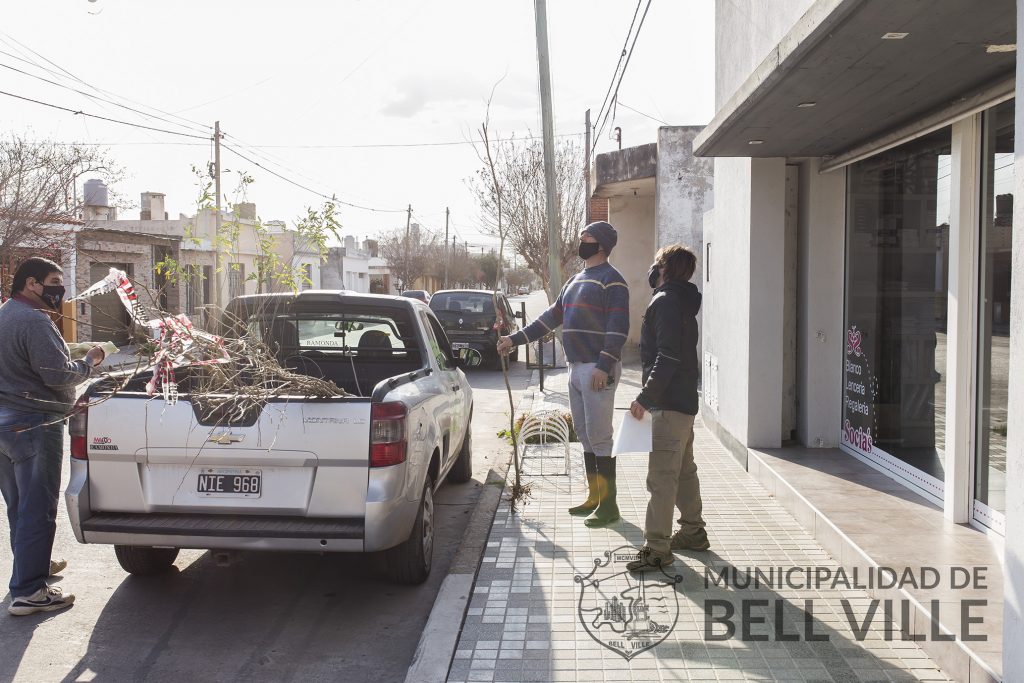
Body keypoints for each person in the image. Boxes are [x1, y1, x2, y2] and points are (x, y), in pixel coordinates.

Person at [497, 222, 629, 527]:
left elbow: (618, 327)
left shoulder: (613, 281)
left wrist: (604, 364)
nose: (581, 241)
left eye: (587, 238)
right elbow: (549, 319)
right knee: (583, 434)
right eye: (581, 237)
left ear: (602, 245)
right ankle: (594, 498)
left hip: (597, 368)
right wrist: (513, 339)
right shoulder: (576, 280)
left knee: (600, 436)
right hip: (575, 366)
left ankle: (609, 506)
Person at [0, 257, 105, 615]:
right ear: (32, 284)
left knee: (19, 505)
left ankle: (32, 570)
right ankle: (30, 590)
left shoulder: (5, 313)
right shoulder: (33, 320)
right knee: (37, 508)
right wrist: (90, 360)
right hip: (34, 424)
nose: (60, 290)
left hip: (5, 424)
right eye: (54, 282)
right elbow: (59, 376)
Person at [626, 245, 709, 573]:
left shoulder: (664, 301)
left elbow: (668, 356)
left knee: (661, 478)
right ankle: (693, 532)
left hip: (668, 405)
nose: (652, 267)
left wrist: (645, 398)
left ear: (665, 269)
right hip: (684, 402)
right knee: (684, 471)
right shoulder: (685, 302)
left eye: (657, 262)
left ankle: (657, 549)